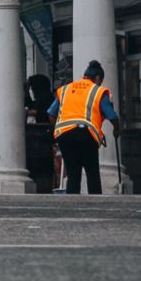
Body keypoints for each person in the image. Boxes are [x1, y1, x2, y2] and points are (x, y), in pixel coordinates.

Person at [49, 59, 118, 195]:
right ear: (97, 78)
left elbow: (51, 113)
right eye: (101, 80)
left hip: (65, 135)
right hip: (86, 135)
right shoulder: (98, 91)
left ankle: (73, 203)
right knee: (92, 173)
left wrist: (57, 129)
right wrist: (117, 129)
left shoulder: (66, 89)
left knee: (73, 175)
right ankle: (95, 203)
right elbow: (112, 115)